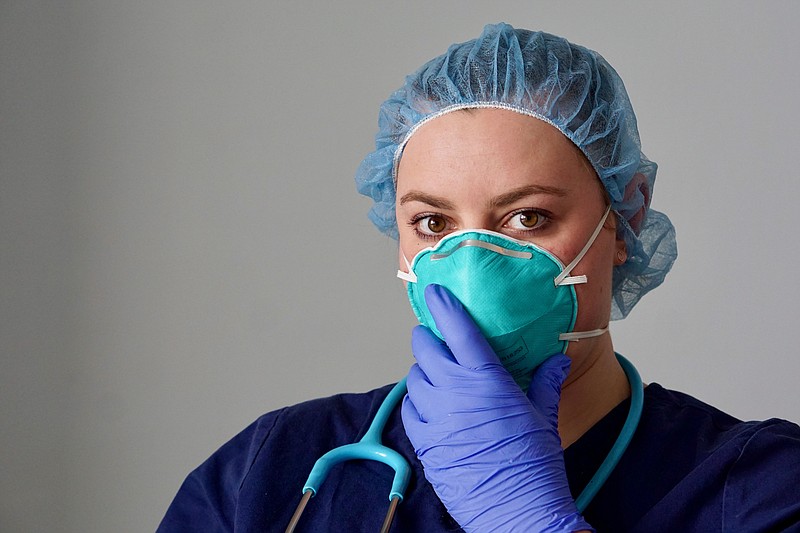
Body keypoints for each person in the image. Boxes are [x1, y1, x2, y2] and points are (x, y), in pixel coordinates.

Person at [158, 23, 800, 532]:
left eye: (527, 217)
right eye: (434, 225)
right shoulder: (269, 468)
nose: (471, 266)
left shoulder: (760, 488)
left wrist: (527, 523)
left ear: (624, 215)